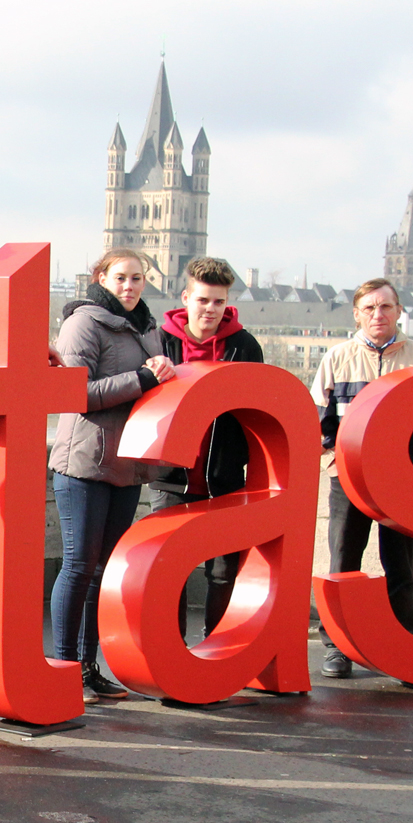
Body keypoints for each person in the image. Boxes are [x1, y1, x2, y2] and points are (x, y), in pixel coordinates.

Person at [48, 248, 176, 703]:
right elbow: (75, 393)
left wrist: (165, 375)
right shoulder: (83, 322)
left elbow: (154, 387)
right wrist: (143, 378)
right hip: (84, 462)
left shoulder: (148, 328)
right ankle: (63, 668)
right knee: (79, 566)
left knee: (104, 570)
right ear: (101, 277)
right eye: (120, 277)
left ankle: (88, 668)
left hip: (127, 464)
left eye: (137, 278)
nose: (129, 286)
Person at [310, 278, 413, 677]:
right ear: (357, 315)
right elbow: (319, 423)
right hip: (349, 480)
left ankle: (403, 646)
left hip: (405, 480)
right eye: (370, 308)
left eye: (386, 307)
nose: (379, 314)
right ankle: (337, 647)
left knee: (401, 567)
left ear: (399, 312)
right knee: (343, 562)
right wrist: (334, 465)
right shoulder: (337, 358)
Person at [150, 257, 263, 641]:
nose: (210, 309)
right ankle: (172, 650)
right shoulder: (160, 341)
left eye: (218, 301)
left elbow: (255, 414)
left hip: (224, 479)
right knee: (170, 570)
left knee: (223, 573)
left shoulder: (244, 346)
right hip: (170, 479)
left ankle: (217, 650)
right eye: (202, 300)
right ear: (186, 298)